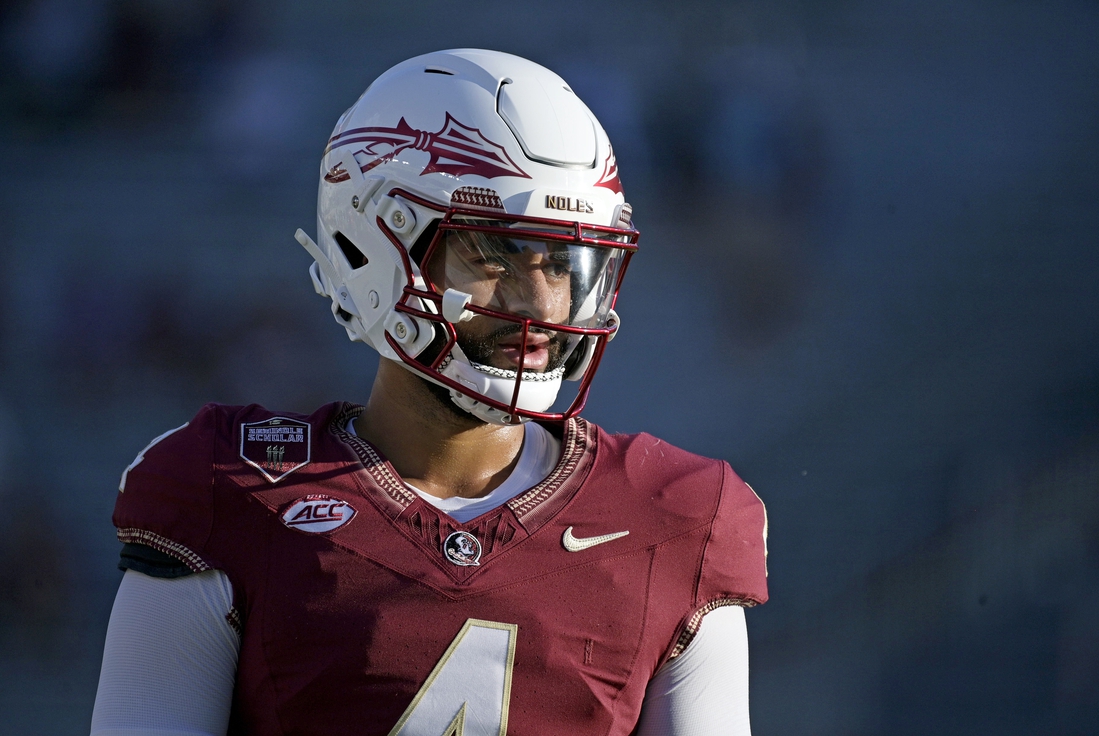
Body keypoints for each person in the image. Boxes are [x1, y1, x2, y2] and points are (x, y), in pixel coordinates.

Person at [90, 49, 768, 736]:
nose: (539, 303)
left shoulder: (674, 520)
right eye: (491, 254)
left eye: (563, 262)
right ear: (374, 245)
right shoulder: (227, 491)